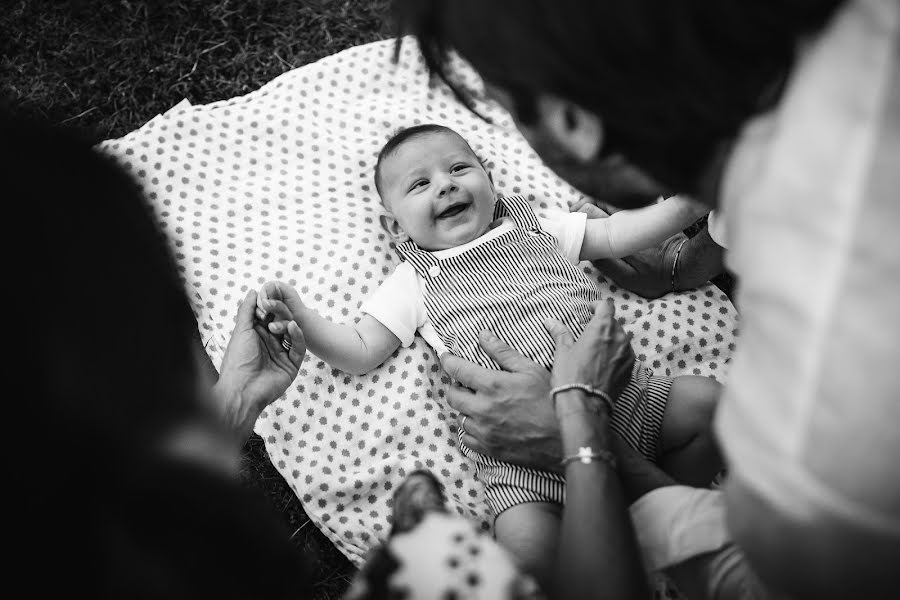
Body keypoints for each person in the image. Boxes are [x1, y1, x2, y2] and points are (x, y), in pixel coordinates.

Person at [395, 0, 900, 597]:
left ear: (573, 123)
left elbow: (757, 580)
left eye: (506, 115)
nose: (449, 186)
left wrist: (578, 431)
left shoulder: (820, 397)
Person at [255, 123, 722, 585]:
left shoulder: (537, 224)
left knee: (709, 406)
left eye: (460, 167)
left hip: (629, 401)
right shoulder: (414, 281)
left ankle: (661, 518)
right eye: (420, 184)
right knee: (528, 551)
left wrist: (691, 202)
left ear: (492, 182)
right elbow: (358, 349)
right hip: (524, 462)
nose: (446, 184)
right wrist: (301, 320)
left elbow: (619, 234)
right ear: (394, 226)